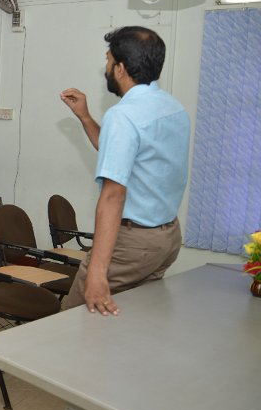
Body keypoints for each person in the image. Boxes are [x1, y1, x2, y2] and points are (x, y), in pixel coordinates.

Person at [59, 26, 190, 316]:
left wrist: (97, 273)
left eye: (108, 61)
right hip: (166, 239)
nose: (105, 68)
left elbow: (113, 196)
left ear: (120, 68)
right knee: (131, 321)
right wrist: (85, 117)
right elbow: (121, 156)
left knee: (73, 322)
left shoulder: (123, 116)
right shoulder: (173, 107)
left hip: (133, 244)